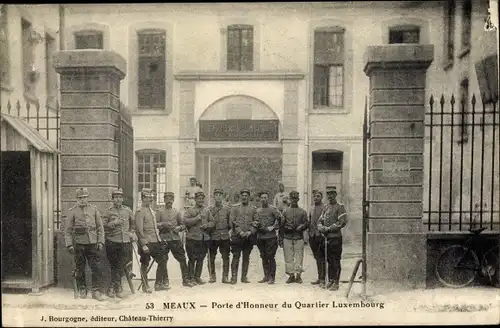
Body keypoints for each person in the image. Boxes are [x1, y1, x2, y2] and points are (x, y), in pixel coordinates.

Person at [64, 188, 105, 301]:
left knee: (95, 267)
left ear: (88, 198)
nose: (83, 200)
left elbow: (100, 228)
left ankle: (96, 290)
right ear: (77, 199)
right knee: (80, 267)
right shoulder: (72, 211)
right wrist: (69, 245)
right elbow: (67, 231)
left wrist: (100, 241)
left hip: (93, 243)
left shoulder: (94, 210)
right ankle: (82, 288)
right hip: (79, 243)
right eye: (80, 198)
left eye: (85, 197)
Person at [102, 188, 136, 298]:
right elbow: (103, 226)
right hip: (112, 241)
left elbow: (133, 224)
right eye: (116, 197)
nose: (118, 199)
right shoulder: (108, 212)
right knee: (113, 265)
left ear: (122, 199)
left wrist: (131, 232)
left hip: (125, 241)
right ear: (112, 199)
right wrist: (114, 223)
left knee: (121, 264)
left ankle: (113, 286)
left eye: (120, 197)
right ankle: (118, 287)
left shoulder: (128, 210)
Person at [156, 192, 195, 288]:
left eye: (171, 199)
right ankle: (165, 281)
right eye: (167, 198)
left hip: (175, 238)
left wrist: (179, 228)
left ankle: (185, 280)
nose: (169, 201)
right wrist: (164, 224)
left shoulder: (176, 212)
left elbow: (183, 225)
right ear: (164, 200)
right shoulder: (160, 212)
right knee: (163, 260)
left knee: (182, 258)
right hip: (164, 239)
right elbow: (155, 224)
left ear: (173, 200)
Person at [135, 188, 168, 293]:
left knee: (163, 260)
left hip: (155, 241)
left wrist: (159, 239)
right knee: (145, 263)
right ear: (143, 198)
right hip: (146, 242)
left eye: (151, 198)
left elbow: (154, 227)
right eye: (148, 198)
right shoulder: (140, 212)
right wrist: (143, 244)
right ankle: (145, 286)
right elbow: (139, 230)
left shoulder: (152, 211)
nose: (150, 200)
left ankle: (158, 284)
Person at [317, 186, 348, 291]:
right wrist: (321, 228)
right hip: (326, 239)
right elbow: (319, 221)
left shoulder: (340, 207)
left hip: (335, 238)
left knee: (336, 260)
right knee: (329, 260)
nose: (330, 196)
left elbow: (342, 222)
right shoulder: (325, 207)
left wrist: (328, 229)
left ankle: (336, 282)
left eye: (332, 193)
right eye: (328, 194)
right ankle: (330, 280)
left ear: (335, 194)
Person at [183, 191, 215, 285]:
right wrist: (197, 218)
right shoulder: (190, 210)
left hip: (203, 238)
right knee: (192, 258)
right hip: (192, 238)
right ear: (195, 199)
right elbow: (185, 221)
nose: (200, 200)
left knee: (201, 258)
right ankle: (191, 278)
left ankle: (197, 277)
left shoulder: (207, 210)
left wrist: (207, 225)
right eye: (199, 199)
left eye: (202, 199)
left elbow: (213, 222)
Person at [229, 189, 258, 284]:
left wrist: (250, 232)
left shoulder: (253, 209)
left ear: (249, 197)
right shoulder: (235, 208)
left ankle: (244, 277)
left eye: (246, 195)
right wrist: (240, 232)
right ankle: (234, 277)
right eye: (243, 195)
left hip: (248, 237)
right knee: (236, 256)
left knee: (246, 257)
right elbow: (232, 222)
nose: (244, 197)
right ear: (240, 197)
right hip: (237, 237)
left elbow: (256, 222)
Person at [280, 190, 308, 284]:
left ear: (298, 199)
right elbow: (281, 225)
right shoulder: (285, 211)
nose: (294, 200)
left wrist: (302, 226)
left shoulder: (302, 211)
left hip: (298, 237)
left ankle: (298, 276)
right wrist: (281, 237)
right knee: (288, 257)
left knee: (299, 257)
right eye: (292, 198)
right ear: (290, 199)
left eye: (296, 198)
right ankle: (291, 275)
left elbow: (306, 223)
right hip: (287, 237)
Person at [254, 191, 281, 284]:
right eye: (262, 198)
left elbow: (280, 219)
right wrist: (256, 224)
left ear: (268, 198)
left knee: (271, 257)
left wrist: (274, 227)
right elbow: (255, 221)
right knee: (263, 257)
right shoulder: (257, 210)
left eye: (265, 197)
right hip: (261, 237)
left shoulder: (273, 209)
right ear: (260, 199)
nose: (263, 199)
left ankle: (272, 277)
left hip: (271, 237)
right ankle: (266, 276)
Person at [207, 188, 232, 283]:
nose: (218, 197)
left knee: (226, 257)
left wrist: (226, 231)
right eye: (216, 195)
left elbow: (230, 224)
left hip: (224, 236)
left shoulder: (227, 209)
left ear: (222, 196)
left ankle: (225, 277)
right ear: (214, 197)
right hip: (213, 236)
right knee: (211, 257)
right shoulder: (209, 210)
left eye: (220, 195)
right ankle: (212, 276)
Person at [308, 190, 326, 286]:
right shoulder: (311, 208)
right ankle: (320, 277)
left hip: (321, 236)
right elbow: (310, 220)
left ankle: (323, 279)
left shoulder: (325, 208)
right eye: (315, 196)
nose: (316, 198)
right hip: (312, 236)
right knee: (317, 257)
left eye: (318, 196)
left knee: (321, 257)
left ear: (321, 197)